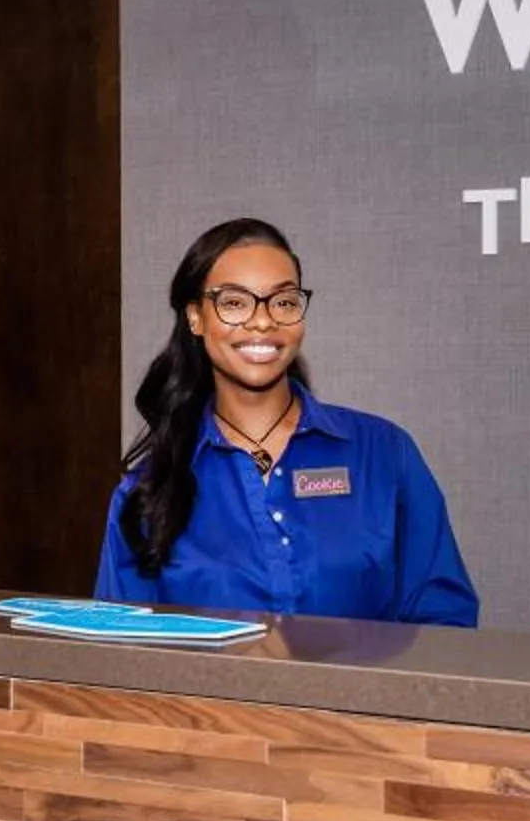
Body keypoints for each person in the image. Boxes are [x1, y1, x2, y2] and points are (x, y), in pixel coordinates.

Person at [96, 217, 478, 627]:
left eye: (284, 302)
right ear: (195, 318)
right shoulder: (147, 492)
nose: (264, 321)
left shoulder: (383, 453)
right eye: (234, 302)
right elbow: (123, 659)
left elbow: (444, 624)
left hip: (361, 694)